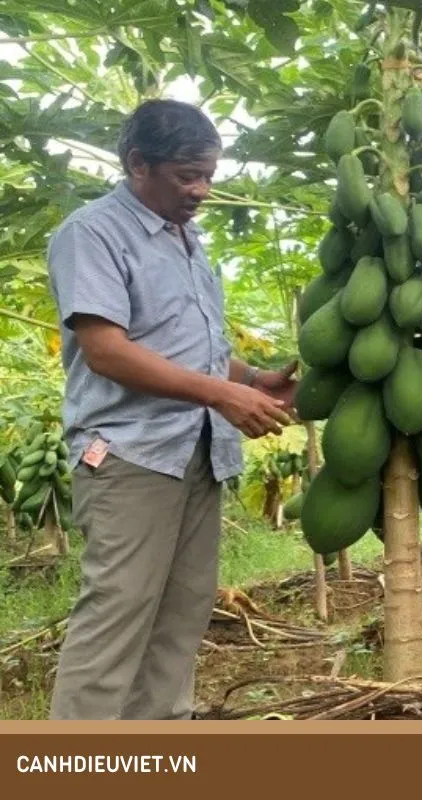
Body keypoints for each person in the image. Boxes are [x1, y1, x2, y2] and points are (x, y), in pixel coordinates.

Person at [44, 99, 297, 720]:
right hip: (130, 453)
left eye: (209, 174)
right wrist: (222, 394)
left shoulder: (187, 239)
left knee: (182, 613)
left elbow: (191, 348)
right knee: (119, 612)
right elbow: (107, 352)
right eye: (188, 175)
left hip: (198, 451)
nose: (202, 189)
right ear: (137, 164)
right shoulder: (93, 233)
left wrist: (252, 379)